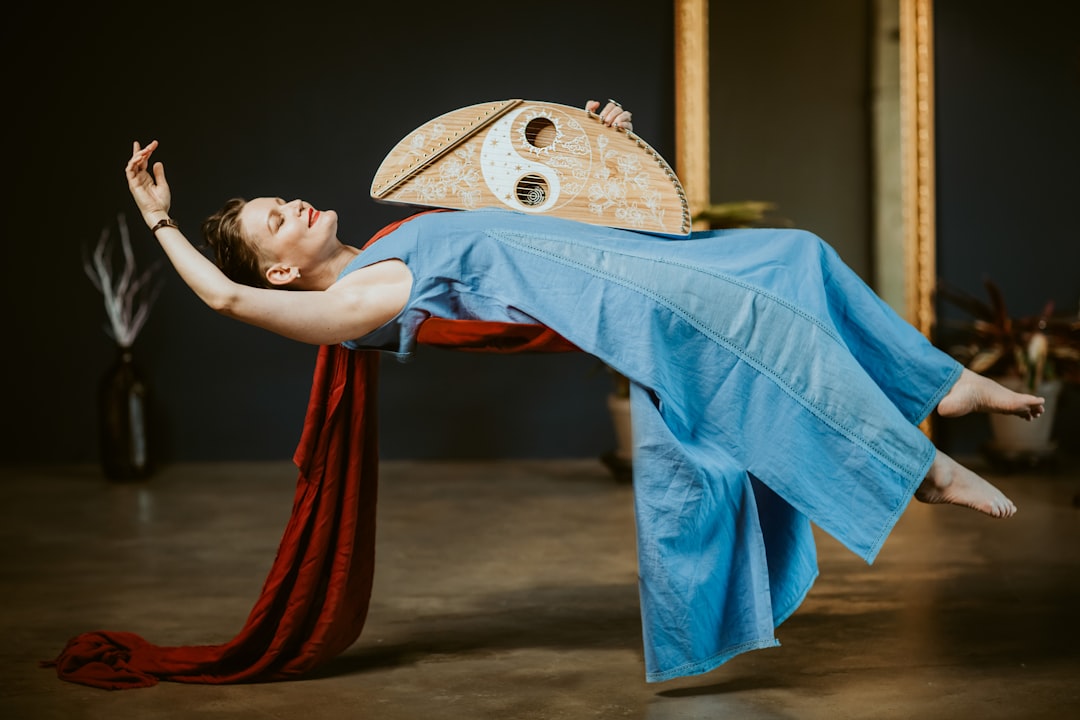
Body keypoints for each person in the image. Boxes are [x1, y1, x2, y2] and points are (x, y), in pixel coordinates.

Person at [124, 99, 1044, 682]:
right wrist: (163, 223)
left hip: (629, 257)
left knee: (798, 253)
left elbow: (538, 213)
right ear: (283, 274)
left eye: (279, 200)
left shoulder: (388, 242)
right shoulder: (365, 295)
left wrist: (605, 153)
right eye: (274, 222)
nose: (291, 206)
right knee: (763, 333)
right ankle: (917, 468)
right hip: (627, 297)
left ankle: (944, 380)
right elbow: (223, 295)